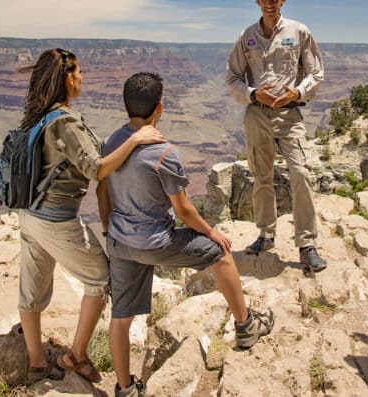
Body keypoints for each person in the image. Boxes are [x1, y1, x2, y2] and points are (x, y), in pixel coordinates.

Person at [103, 72, 275, 397]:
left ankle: (125, 388)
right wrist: (212, 232)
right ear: (160, 108)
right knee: (221, 253)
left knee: (121, 317)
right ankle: (246, 325)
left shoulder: (111, 143)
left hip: (120, 242)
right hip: (155, 243)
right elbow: (183, 211)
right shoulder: (163, 152)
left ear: (127, 106)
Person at [16, 48, 164, 385]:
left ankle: (37, 364)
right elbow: (96, 169)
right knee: (99, 278)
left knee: (31, 291)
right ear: (68, 78)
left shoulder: (38, 115)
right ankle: (76, 355)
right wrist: (136, 139)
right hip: (56, 219)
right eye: (79, 72)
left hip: (28, 215)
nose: (83, 78)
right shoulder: (64, 121)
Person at [225, 0, 327, 273]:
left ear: (283, 1)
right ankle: (266, 234)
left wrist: (297, 92)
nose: (270, 3)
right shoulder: (247, 36)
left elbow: (315, 71)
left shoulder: (298, 31)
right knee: (261, 176)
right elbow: (232, 76)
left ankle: (307, 243)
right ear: (258, 2)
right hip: (257, 114)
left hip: (289, 114)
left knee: (301, 173)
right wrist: (253, 93)